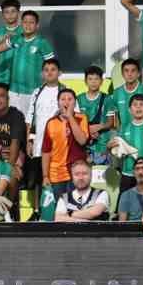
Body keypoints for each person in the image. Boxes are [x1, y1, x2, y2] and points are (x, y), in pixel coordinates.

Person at [0, 10, 54, 118]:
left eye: (31, 22)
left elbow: (52, 67)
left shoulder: (42, 43)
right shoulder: (16, 38)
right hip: (14, 92)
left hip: (32, 91)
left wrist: (50, 86)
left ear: (37, 25)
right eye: (25, 22)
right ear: (21, 23)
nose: (27, 25)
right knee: (14, 122)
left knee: (30, 124)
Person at [39, 87, 89, 219]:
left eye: (70, 99)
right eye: (62, 99)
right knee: (60, 210)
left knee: (77, 210)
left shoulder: (82, 119)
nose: (66, 102)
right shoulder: (51, 123)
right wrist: (45, 175)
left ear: (75, 102)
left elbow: (82, 140)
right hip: (56, 173)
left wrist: (70, 118)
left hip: (76, 173)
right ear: (58, 102)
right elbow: (46, 151)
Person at [115, 157, 143, 223]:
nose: (140, 172)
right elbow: (122, 224)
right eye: (137, 169)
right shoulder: (126, 195)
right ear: (133, 172)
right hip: (134, 231)